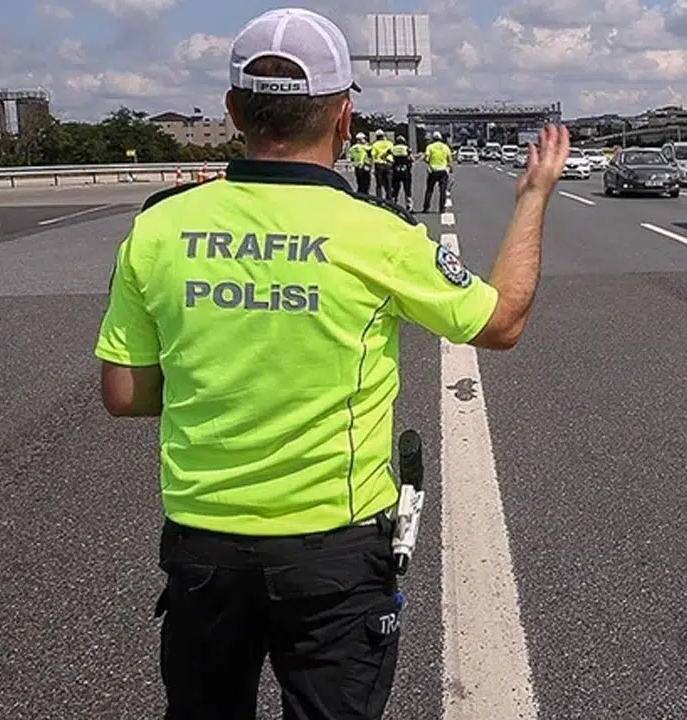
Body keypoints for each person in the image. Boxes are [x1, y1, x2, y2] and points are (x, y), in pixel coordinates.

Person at [92, 6, 570, 719]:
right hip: (334, 550)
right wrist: (532, 199)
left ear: (232, 112)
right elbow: (500, 322)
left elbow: (124, 393)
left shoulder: (159, 226)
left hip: (203, 547)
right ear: (345, 116)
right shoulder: (378, 236)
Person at [421, 131, 453, 214]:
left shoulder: (430, 147)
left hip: (433, 171)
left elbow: (426, 158)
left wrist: (429, 163)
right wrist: (451, 168)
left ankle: (426, 208)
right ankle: (442, 208)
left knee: (429, 190)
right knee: (442, 190)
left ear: (433, 139)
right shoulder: (445, 147)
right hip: (443, 171)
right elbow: (449, 159)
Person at [389, 135, 414, 210]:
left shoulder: (393, 148)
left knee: (395, 188)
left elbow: (388, 157)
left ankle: (393, 203)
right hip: (405, 171)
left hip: (396, 171)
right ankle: (409, 205)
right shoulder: (407, 148)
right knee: (407, 189)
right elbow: (411, 158)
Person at [370, 130, 394, 201]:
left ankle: (379, 200)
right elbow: (392, 152)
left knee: (379, 184)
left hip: (379, 165)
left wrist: (372, 168)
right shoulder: (390, 143)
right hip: (388, 164)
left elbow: (373, 156)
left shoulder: (375, 144)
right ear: (383, 135)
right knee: (389, 184)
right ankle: (389, 200)